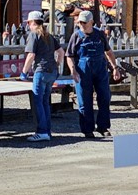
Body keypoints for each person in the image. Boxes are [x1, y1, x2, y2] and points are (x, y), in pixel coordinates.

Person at [65, 9, 121, 138]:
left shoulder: (100, 35)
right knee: (85, 101)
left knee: (104, 98)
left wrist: (114, 68)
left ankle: (103, 127)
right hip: (83, 72)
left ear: (91, 22)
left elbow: (109, 52)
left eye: (84, 22)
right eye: (80, 22)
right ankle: (87, 130)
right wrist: (73, 70)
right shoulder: (76, 36)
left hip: (100, 70)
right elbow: (69, 55)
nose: (82, 25)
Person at [19, 10, 64, 142]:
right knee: (45, 102)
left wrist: (24, 72)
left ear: (32, 22)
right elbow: (61, 52)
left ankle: (42, 131)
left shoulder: (34, 35)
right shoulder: (49, 35)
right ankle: (47, 131)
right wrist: (56, 64)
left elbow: (31, 55)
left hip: (41, 70)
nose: (28, 25)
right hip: (52, 72)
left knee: (38, 101)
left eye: (28, 22)